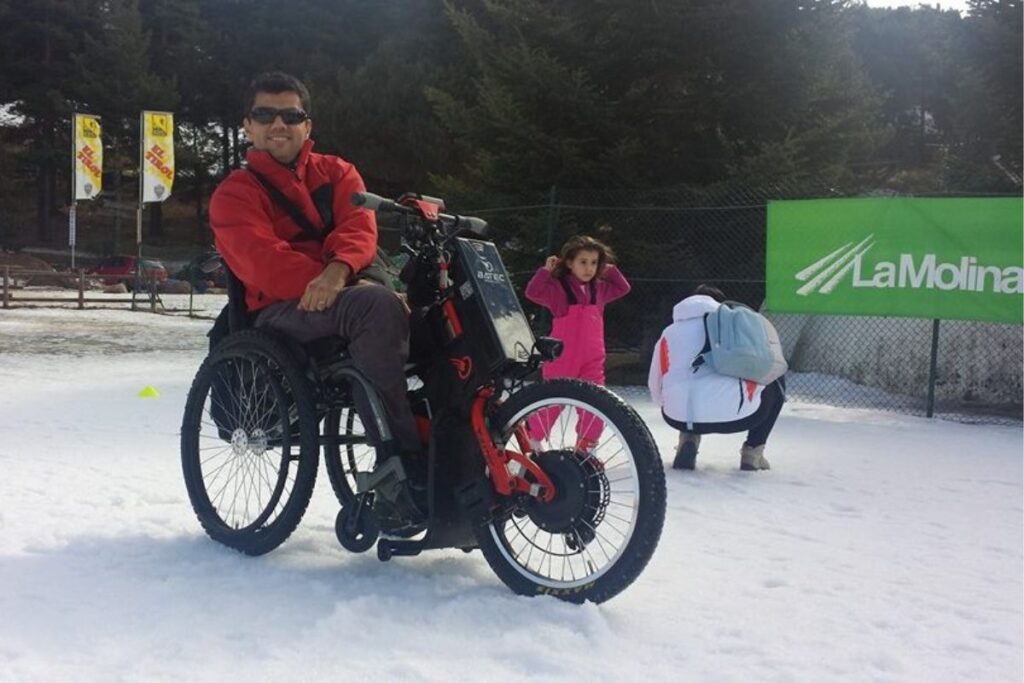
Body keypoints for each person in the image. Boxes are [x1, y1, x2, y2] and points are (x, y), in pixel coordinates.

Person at [208, 72, 423, 525]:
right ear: (248, 125)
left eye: (291, 115)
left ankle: (471, 449)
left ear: (308, 125)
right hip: (279, 312)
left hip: (343, 289)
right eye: (265, 114)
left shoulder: (338, 172)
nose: (278, 124)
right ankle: (400, 465)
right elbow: (263, 260)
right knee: (376, 307)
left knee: (443, 308)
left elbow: (359, 227)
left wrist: (339, 272)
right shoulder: (235, 193)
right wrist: (334, 283)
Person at [647, 284, 785, 471]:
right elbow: (761, 367)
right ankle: (753, 451)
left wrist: (667, 405)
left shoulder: (669, 333)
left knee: (686, 386)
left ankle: (688, 439)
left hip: (677, 417)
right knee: (777, 377)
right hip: (740, 417)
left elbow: (655, 380)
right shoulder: (734, 326)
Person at [524, 235, 631, 451]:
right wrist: (545, 271)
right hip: (562, 360)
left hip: (592, 361)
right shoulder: (558, 289)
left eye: (594, 263)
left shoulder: (599, 289)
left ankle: (584, 450)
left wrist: (608, 269)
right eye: (583, 262)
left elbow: (623, 287)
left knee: (596, 405)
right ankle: (531, 444)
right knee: (552, 404)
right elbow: (532, 292)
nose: (589, 268)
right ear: (570, 263)